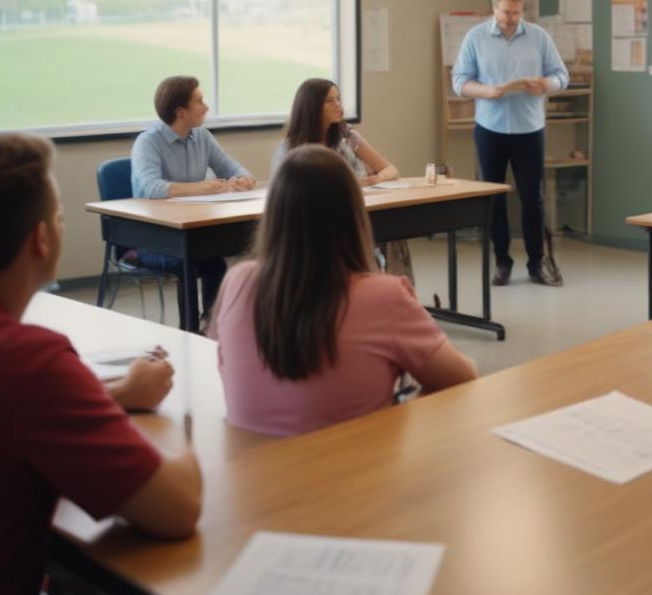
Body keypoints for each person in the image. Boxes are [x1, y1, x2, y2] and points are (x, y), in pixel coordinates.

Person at [0, 133, 201, 595]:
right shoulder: (31, 361)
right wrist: (185, 426)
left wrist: (118, 396)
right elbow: (178, 508)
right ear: (42, 239)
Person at [210, 145, 477, 436]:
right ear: (354, 215)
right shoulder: (384, 297)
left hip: (251, 475)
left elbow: (223, 360)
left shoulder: (236, 282)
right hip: (352, 475)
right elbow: (463, 376)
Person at [452, 0, 569, 286]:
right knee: (494, 199)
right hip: (490, 130)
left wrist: (545, 85)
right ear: (494, 9)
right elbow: (460, 81)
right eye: (506, 12)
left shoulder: (538, 37)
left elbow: (561, 76)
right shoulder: (475, 38)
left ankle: (536, 264)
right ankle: (502, 262)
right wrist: (485, 91)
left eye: (517, 12)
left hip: (529, 130)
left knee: (533, 199)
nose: (511, 18)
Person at [131, 75, 256, 324]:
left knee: (217, 261)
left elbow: (238, 170)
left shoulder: (202, 136)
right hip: (153, 237)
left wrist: (243, 180)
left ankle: (214, 326)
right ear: (180, 111)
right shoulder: (148, 142)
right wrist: (202, 188)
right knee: (191, 263)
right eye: (199, 101)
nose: (206, 107)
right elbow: (151, 188)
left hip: (192, 232)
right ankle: (188, 330)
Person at [275, 77, 414, 283]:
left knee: (394, 230)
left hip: (358, 210)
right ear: (312, 107)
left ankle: (401, 295)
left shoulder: (348, 137)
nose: (339, 105)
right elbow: (293, 194)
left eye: (338, 99)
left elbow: (391, 170)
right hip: (321, 220)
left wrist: (375, 178)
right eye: (330, 101)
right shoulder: (291, 148)